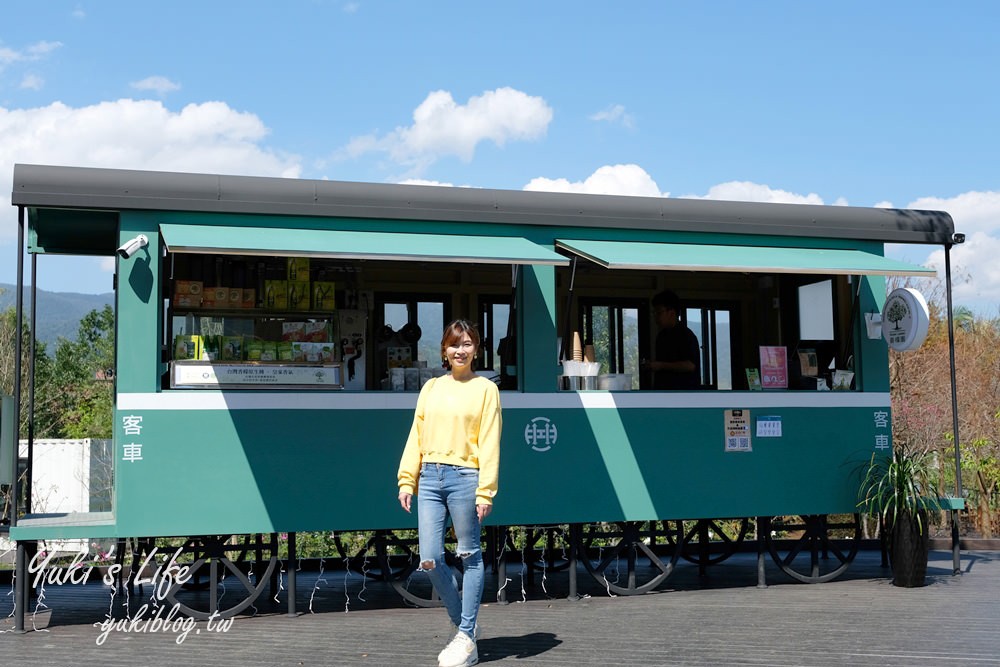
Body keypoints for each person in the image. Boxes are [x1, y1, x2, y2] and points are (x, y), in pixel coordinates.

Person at [397, 319, 502, 667]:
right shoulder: (431, 388)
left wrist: (486, 491)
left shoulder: (486, 389)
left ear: (476, 350)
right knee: (430, 559)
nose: (461, 350)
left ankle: (465, 638)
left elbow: (490, 442)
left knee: (470, 555)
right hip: (429, 476)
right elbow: (417, 434)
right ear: (444, 349)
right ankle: (466, 630)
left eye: (468, 344)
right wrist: (406, 478)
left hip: (466, 478)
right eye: (455, 344)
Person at [645, 289, 701, 390]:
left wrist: (661, 365)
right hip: (663, 394)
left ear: (671, 312)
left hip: (683, 395)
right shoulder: (661, 336)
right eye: (654, 312)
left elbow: (690, 366)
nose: (655, 317)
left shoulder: (686, 335)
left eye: (659, 312)